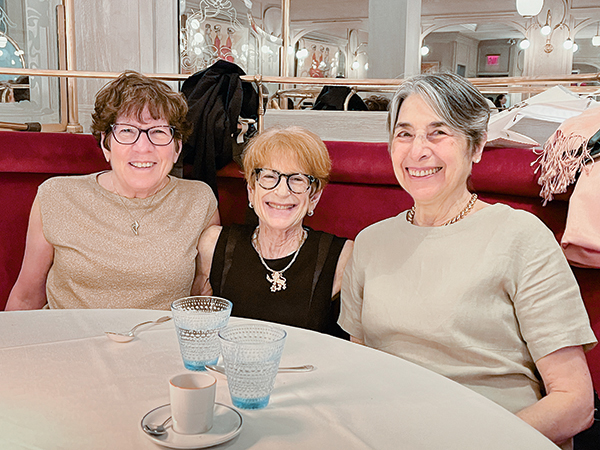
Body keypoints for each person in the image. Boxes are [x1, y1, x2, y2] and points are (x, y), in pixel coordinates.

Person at [339, 72, 597, 448]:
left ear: (475, 147)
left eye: (438, 133)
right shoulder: (369, 242)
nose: (417, 151)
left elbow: (574, 403)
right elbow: (359, 366)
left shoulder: (521, 237)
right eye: (404, 133)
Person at [6, 71, 219, 310]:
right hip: (71, 343)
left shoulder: (199, 200)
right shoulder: (55, 195)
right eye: (127, 131)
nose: (143, 147)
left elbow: (201, 297)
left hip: (160, 344)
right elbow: (27, 295)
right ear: (106, 144)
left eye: (158, 131)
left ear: (177, 147)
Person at [198, 126, 353, 337]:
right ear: (251, 190)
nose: (281, 191)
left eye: (297, 179)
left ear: (314, 197)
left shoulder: (342, 257)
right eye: (270, 177)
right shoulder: (213, 246)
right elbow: (200, 332)